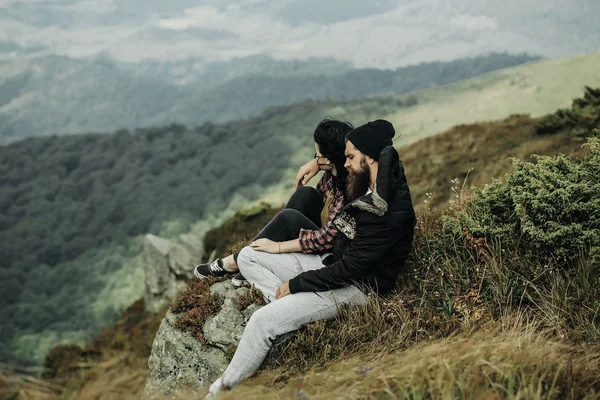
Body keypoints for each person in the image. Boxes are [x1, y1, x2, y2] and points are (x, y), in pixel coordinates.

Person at [206, 119, 416, 398]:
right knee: (248, 255)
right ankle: (286, 312)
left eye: (350, 157)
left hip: (358, 288)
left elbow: (349, 271)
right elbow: (339, 253)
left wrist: (296, 284)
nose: (346, 163)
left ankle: (217, 393)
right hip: (332, 265)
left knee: (261, 322)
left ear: (371, 158)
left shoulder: (387, 210)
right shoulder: (367, 180)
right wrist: (317, 163)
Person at [194, 118, 354, 287]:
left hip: (335, 250)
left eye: (318, 155)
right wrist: (316, 163)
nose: (316, 159)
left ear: (330, 159)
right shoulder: (336, 170)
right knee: (305, 194)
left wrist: (279, 246)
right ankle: (250, 259)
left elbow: (328, 238)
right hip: (327, 229)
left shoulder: (351, 188)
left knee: (287, 219)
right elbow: (321, 201)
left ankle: (238, 261)